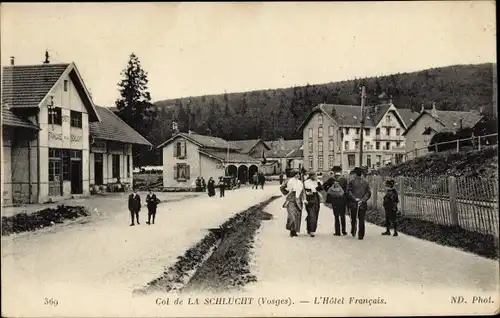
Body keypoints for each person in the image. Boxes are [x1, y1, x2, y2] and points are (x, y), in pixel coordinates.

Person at [322, 166, 348, 236]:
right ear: (340, 171)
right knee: (342, 215)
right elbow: (347, 190)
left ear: (334, 171)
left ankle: (337, 232)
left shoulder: (331, 179)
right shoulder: (344, 180)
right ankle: (344, 231)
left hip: (334, 199)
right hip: (342, 199)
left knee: (336, 216)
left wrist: (329, 191)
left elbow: (324, 186)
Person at [346, 167, 371, 240]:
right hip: (362, 204)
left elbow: (348, 192)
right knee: (361, 219)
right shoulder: (366, 183)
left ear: (355, 174)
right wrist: (362, 200)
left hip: (353, 203)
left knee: (353, 218)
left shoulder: (351, 182)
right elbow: (368, 193)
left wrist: (355, 199)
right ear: (361, 174)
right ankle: (361, 235)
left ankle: (353, 231)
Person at [280, 169, 304, 237]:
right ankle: (291, 230)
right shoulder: (288, 181)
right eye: (296, 174)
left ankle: (294, 231)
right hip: (291, 200)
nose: (298, 175)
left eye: (298, 174)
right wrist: (287, 192)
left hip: (298, 200)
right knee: (292, 216)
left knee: (297, 216)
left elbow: (302, 191)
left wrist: (303, 199)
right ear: (293, 174)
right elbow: (282, 187)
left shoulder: (300, 182)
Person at [303, 171, 322, 237]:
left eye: (315, 175)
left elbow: (320, 189)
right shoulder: (306, 182)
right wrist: (305, 199)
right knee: (311, 214)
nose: (315, 177)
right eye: (314, 175)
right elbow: (305, 192)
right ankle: (311, 231)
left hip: (316, 198)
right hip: (309, 198)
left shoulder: (317, 181)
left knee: (316, 214)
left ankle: (310, 228)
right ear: (310, 176)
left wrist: (318, 181)